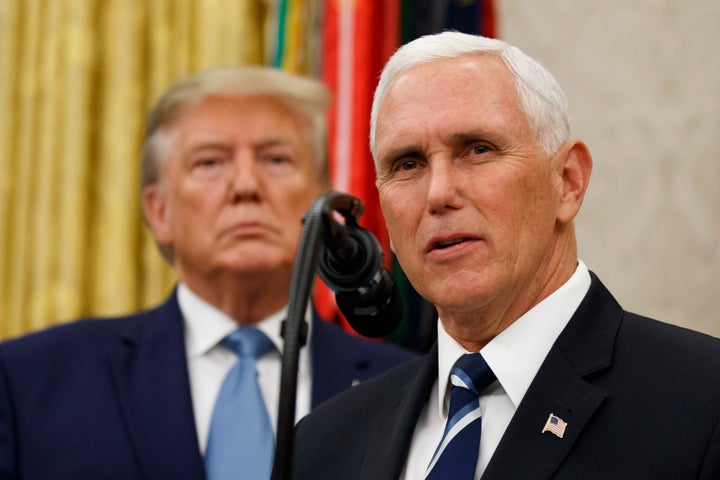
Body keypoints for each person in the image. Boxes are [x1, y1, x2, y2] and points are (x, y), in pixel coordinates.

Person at [291, 31, 720, 480]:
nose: (438, 194)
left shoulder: (703, 405)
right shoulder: (323, 444)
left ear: (568, 182)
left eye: (478, 150)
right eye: (408, 164)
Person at [0, 66, 417, 480]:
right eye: (210, 162)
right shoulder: (31, 380)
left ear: (323, 201)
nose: (245, 184)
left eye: (276, 159)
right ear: (159, 211)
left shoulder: (412, 390)